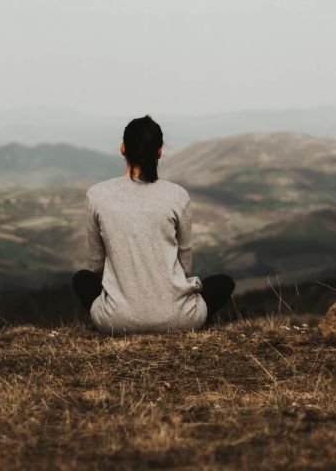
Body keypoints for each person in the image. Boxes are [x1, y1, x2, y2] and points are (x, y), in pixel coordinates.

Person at [72, 114, 235, 334]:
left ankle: (122, 316)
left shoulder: (96, 195)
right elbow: (185, 266)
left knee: (82, 279)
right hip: (179, 319)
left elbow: (97, 265)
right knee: (223, 283)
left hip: (116, 321)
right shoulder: (178, 195)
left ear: (122, 148)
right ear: (160, 151)